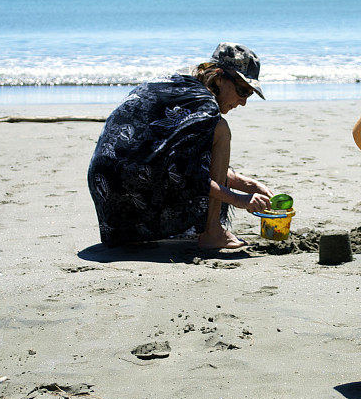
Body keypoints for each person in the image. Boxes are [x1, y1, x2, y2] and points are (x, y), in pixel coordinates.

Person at [87, 42, 273, 250]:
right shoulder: (205, 105)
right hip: (132, 188)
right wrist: (241, 199)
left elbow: (165, 156)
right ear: (219, 77)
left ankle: (136, 233)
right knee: (220, 128)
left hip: (106, 189)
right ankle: (213, 231)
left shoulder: (179, 84)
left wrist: (243, 183)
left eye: (248, 94)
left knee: (208, 140)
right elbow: (191, 176)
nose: (243, 102)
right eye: (242, 90)